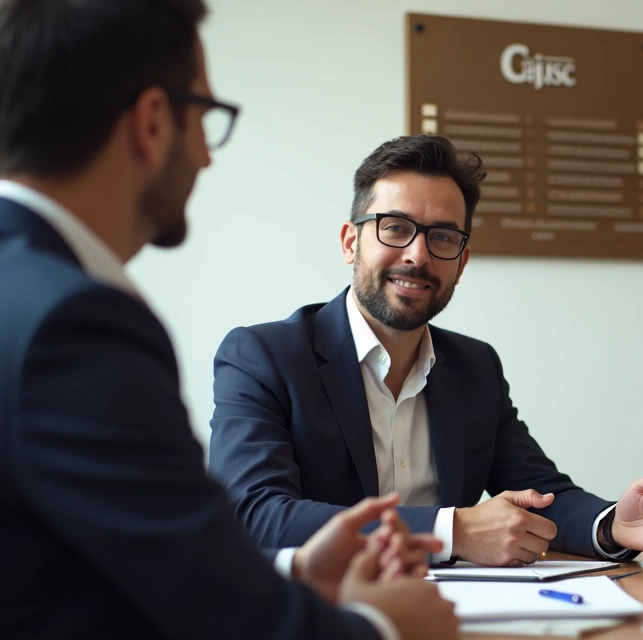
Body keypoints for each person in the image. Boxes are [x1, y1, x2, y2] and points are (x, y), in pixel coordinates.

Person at [0, 1, 457, 638]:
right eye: (205, 117)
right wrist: (379, 626)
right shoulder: (73, 323)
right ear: (153, 121)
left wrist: (295, 570)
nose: (207, 160)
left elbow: (122, 562)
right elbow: (206, 604)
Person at [209, 134, 643, 566]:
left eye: (442, 236)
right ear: (349, 242)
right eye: (395, 227)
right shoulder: (263, 356)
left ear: (461, 262)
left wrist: (613, 525)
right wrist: (453, 531)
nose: (418, 255)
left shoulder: (475, 367)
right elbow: (252, 514)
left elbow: (542, 494)